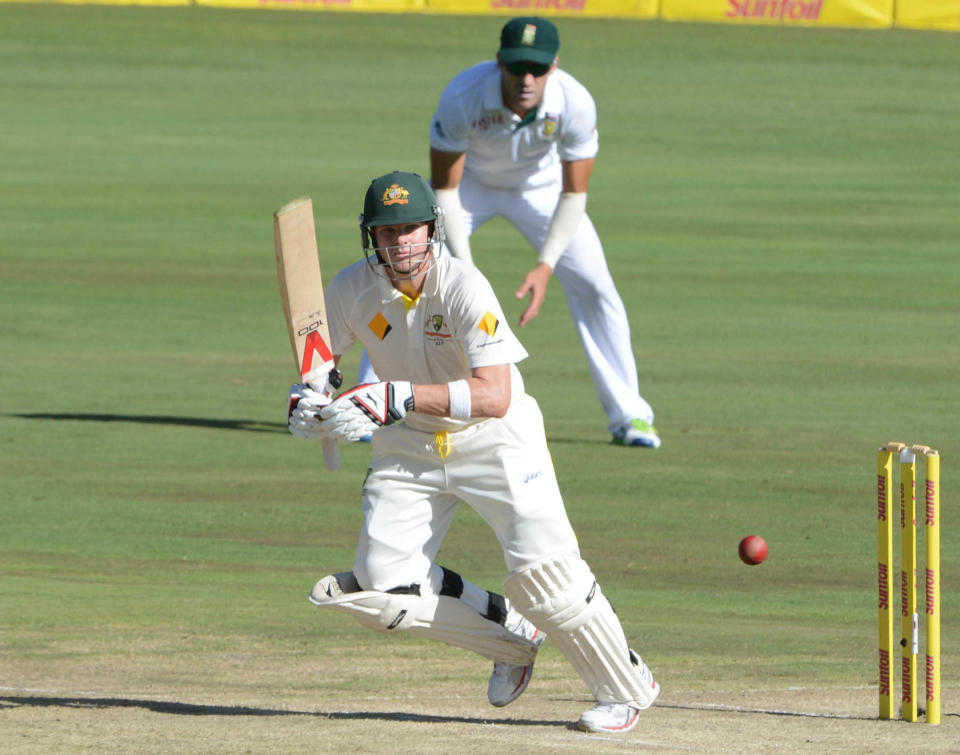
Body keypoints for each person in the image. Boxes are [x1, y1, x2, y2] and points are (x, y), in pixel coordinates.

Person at [287, 171, 659, 734]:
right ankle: (509, 639)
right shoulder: (350, 289)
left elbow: (495, 394)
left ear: (431, 230)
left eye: (409, 229)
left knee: (547, 577)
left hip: (496, 442)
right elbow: (319, 370)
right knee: (379, 583)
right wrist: (307, 406)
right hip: (409, 447)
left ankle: (625, 690)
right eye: (387, 233)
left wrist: (397, 395)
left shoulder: (464, 288)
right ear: (371, 238)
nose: (399, 243)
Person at [428, 16, 661, 449]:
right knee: (412, 269)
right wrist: (466, 271)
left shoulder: (574, 102)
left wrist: (545, 266)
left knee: (595, 285)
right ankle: (378, 405)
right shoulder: (463, 95)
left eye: (537, 68)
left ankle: (631, 416)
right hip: (470, 188)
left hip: (542, 189)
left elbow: (574, 194)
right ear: (499, 62)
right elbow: (445, 188)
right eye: (517, 67)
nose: (526, 78)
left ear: (554, 65)